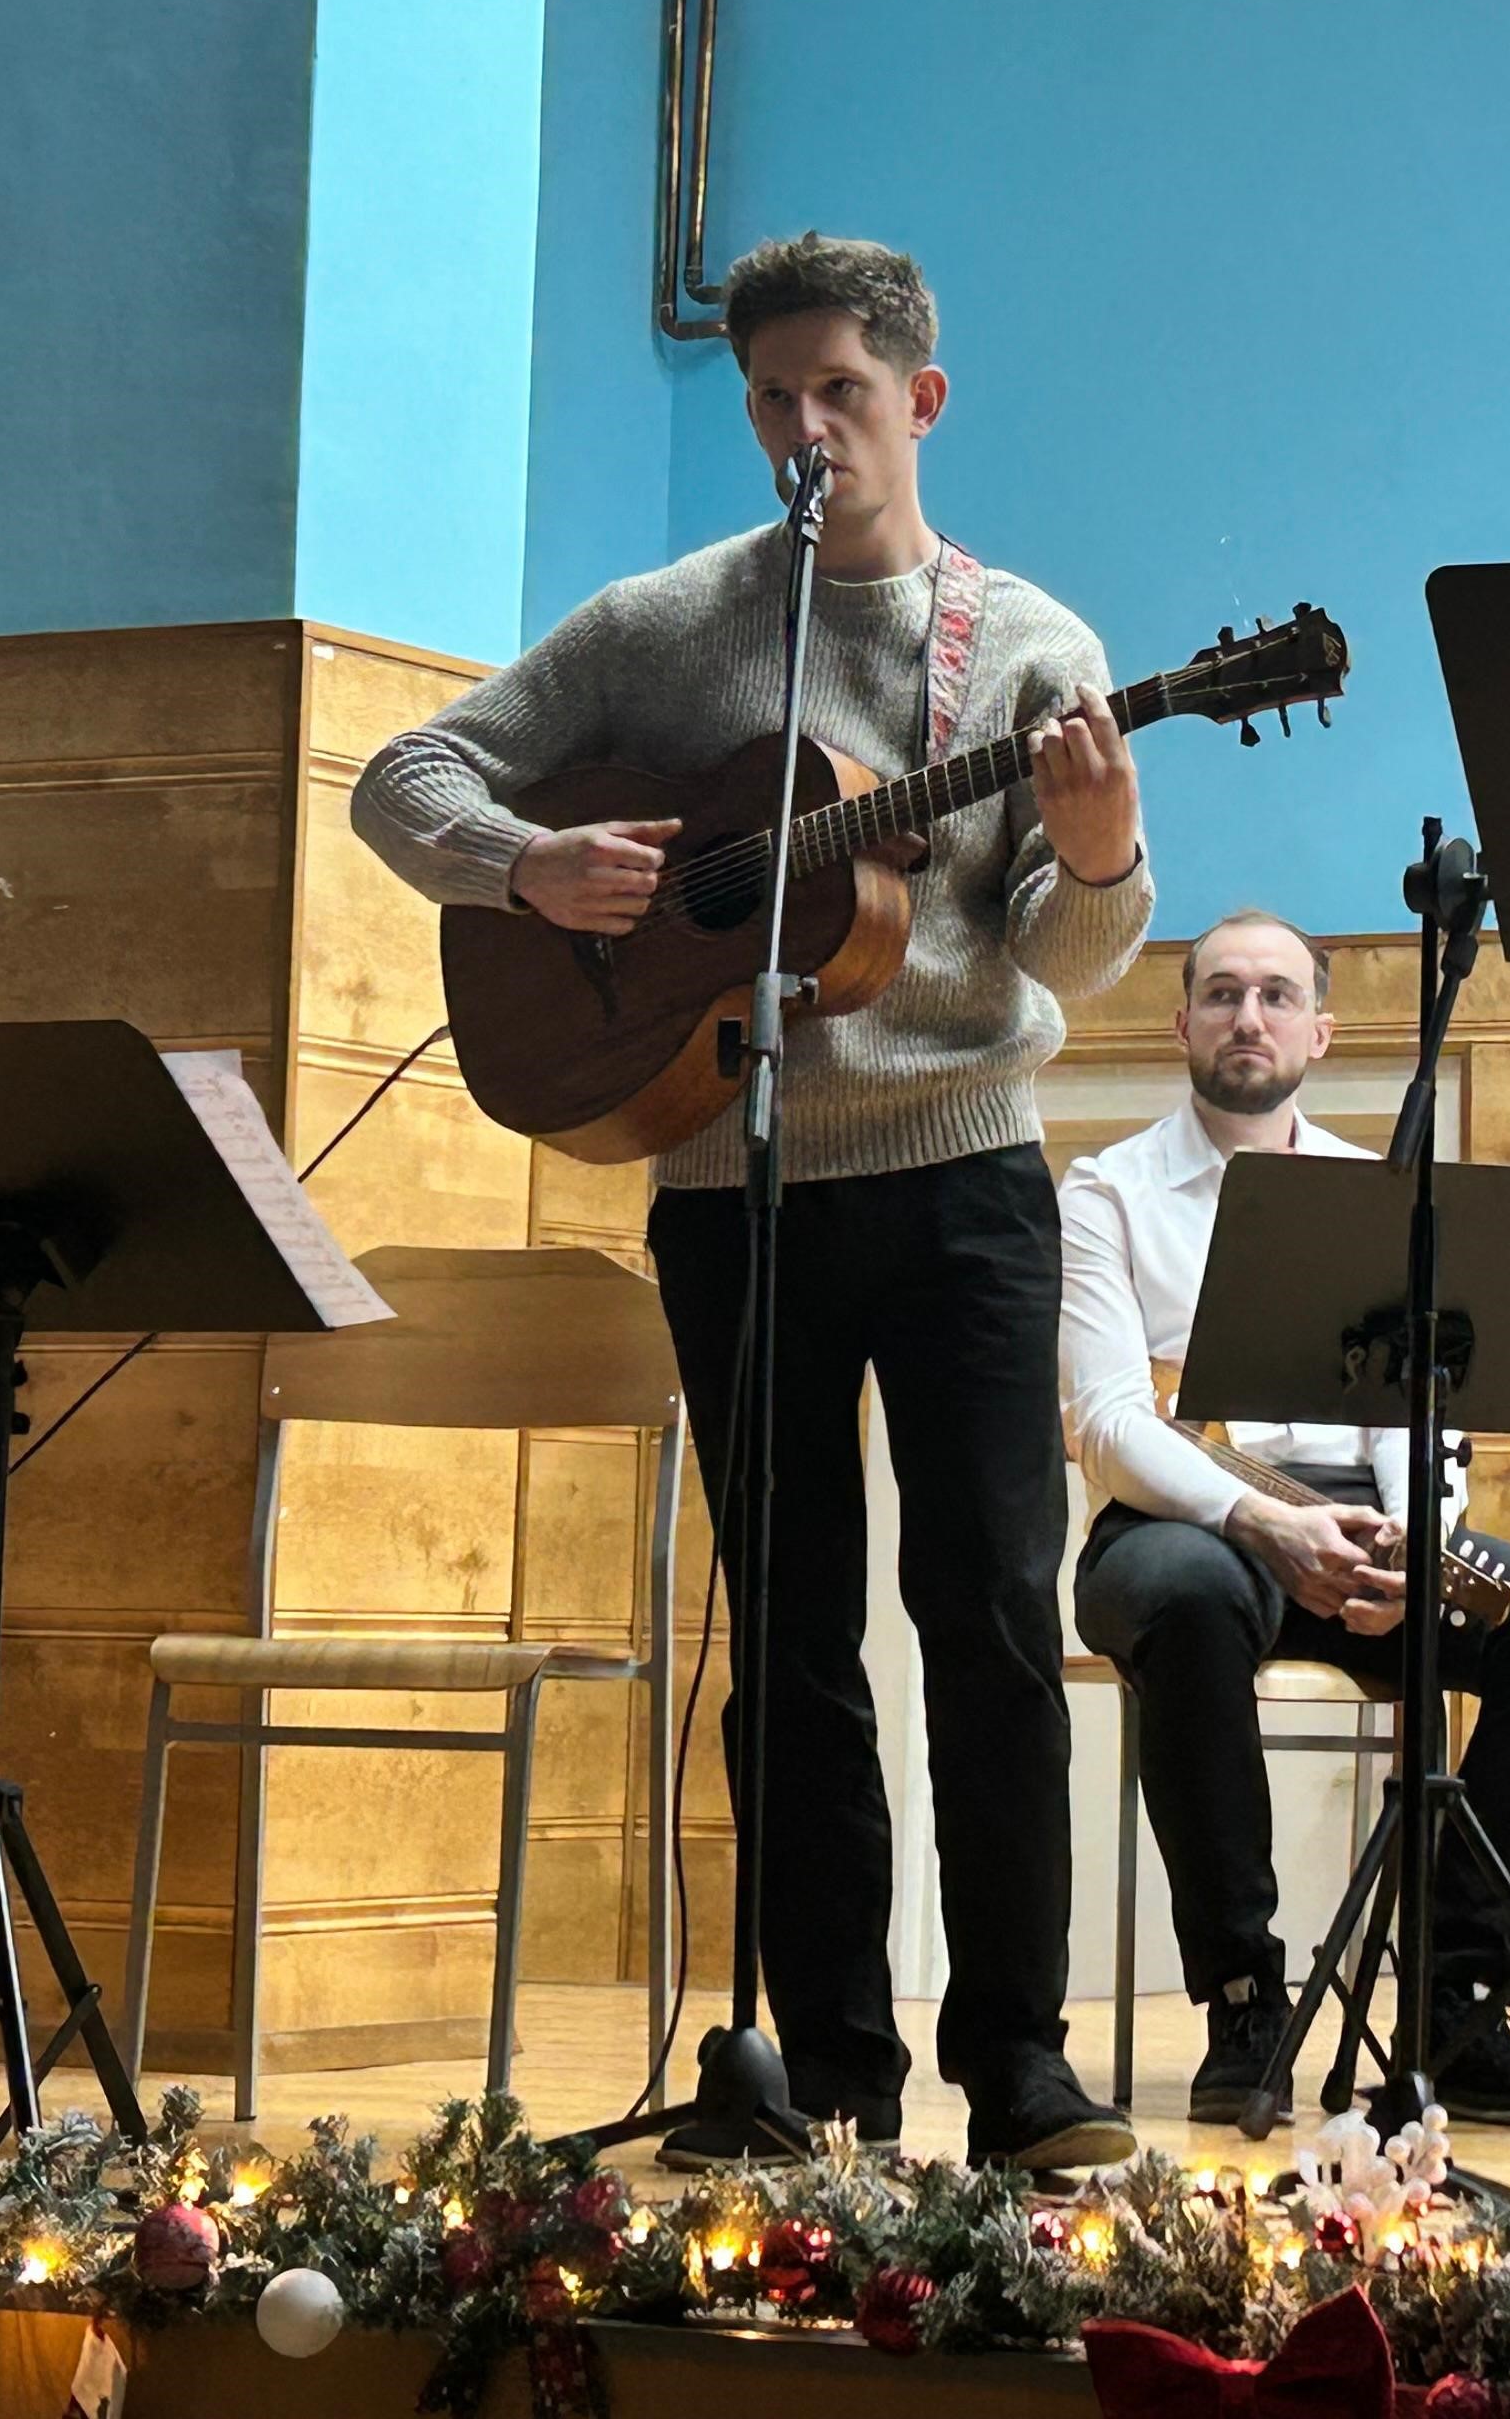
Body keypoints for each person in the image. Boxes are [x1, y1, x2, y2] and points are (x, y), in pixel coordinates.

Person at [350, 231, 1148, 2172]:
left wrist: (1105, 849)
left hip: (964, 1175)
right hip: (737, 1177)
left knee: (987, 1612)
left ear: (919, 400)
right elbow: (401, 776)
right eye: (772, 396)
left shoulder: (1029, 645)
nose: (805, 428)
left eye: (840, 393)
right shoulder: (665, 624)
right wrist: (523, 865)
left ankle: (1021, 2067)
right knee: (787, 1634)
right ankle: (834, 2067)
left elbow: (1070, 953)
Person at [1060, 910, 1510, 2126]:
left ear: (1321, 1029)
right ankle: (1245, 1992)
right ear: (1182, 1023)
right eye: (1221, 994)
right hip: (1183, 1526)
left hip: (1365, 1525)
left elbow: (1418, 1405)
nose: (1246, 1017)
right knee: (1195, 1596)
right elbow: (1107, 1420)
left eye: (1275, 995)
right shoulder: (1106, 1192)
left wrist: (1418, 1536)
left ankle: (1458, 2004)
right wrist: (1262, 1526)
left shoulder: (1385, 1195)